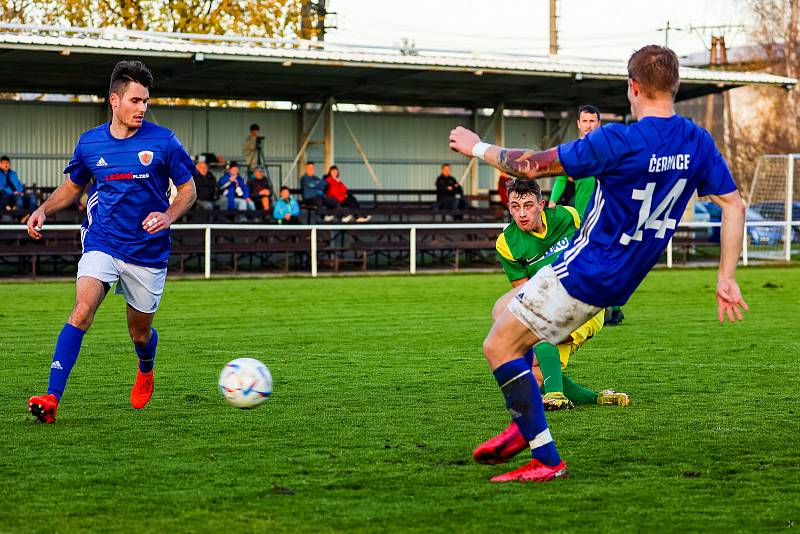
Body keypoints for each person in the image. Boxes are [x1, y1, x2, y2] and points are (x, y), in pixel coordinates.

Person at [449, 44, 748, 482]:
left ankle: (545, 457)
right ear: (676, 87)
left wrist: (478, 147)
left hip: (587, 269)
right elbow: (734, 206)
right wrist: (726, 278)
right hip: (622, 278)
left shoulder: (618, 141)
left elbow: (529, 166)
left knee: (497, 347)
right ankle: (524, 420)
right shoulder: (696, 141)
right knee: (503, 311)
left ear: (633, 88)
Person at [25, 60, 197, 424]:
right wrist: (43, 209)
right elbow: (73, 187)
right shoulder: (90, 143)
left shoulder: (163, 140)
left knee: (139, 332)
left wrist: (168, 215)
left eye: (146, 101)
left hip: (147, 252)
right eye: (135, 100)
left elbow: (189, 190)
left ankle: (146, 365)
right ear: (114, 101)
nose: (142, 108)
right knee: (82, 310)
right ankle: (52, 398)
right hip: (102, 241)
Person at [549, 105, 626, 326]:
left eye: (593, 121)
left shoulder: (609, 151)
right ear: (579, 124)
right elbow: (562, 177)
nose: (589, 125)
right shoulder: (574, 151)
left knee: (609, 261)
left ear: (598, 123)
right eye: (585, 121)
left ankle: (615, 308)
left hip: (607, 215)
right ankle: (585, 307)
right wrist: (553, 200)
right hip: (581, 217)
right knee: (580, 262)